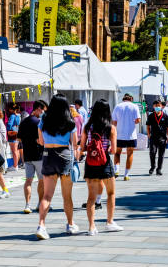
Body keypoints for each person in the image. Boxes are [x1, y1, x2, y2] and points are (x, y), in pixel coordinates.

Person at [35, 94, 79, 240]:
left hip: (48, 155)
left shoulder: (44, 119)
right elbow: (74, 142)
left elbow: (41, 141)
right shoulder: (69, 121)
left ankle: (41, 225)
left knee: (47, 195)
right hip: (64, 155)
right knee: (67, 195)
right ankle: (70, 224)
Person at [81, 99, 124, 235]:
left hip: (91, 163)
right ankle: (109, 222)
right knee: (110, 193)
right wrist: (108, 146)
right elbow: (114, 150)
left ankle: (91, 227)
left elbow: (82, 147)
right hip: (105, 162)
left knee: (91, 197)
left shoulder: (87, 127)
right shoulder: (111, 128)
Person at [18, 101, 46, 213]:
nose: (43, 112)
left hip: (27, 155)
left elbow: (19, 138)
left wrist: (27, 140)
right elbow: (42, 140)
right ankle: (40, 204)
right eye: (43, 110)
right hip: (39, 155)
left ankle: (27, 205)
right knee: (41, 180)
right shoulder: (39, 122)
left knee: (28, 181)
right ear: (38, 109)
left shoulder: (24, 122)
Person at [112, 93, 141, 180]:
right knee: (130, 154)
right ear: (131, 99)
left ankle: (116, 170)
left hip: (119, 134)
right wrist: (131, 122)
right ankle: (126, 175)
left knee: (117, 153)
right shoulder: (134, 106)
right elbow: (138, 120)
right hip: (131, 135)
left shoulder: (117, 106)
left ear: (123, 99)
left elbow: (114, 122)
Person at [146, 100, 168, 176]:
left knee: (161, 154)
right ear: (153, 106)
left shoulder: (165, 116)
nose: (157, 107)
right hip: (153, 137)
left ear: (161, 106)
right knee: (152, 153)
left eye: (158, 106)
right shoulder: (151, 116)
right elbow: (148, 126)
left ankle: (159, 169)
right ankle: (152, 167)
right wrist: (148, 134)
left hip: (162, 138)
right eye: (155, 106)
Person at [6, 103, 21, 172]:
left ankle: (15, 166)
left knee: (14, 150)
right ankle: (16, 165)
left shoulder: (12, 116)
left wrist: (7, 128)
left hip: (12, 133)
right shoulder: (18, 115)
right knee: (16, 150)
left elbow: (9, 125)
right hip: (17, 132)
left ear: (11, 109)